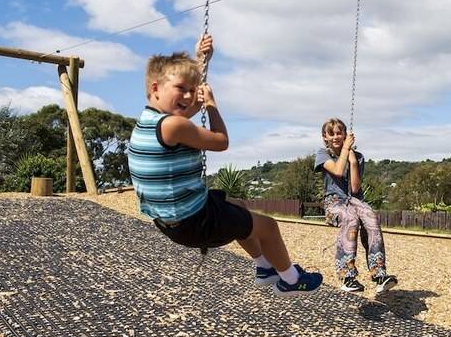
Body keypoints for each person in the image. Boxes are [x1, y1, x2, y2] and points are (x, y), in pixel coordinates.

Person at [127, 34, 322, 297]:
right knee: (268, 226)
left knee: (238, 208)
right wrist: (211, 105)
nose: (188, 95)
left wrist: (201, 60)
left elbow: (185, 110)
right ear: (155, 89)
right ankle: (290, 279)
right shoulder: (174, 125)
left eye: (190, 89)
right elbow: (221, 141)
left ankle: (264, 267)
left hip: (172, 219)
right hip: (196, 221)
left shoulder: (149, 121)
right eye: (180, 88)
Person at [314, 118, 398, 294]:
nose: (336, 136)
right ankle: (347, 276)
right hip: (335, 202)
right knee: (350, 218)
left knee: (371, 218)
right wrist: (346, 150)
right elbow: (337, 170)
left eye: (339, 133)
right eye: (332, 133)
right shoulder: (323, 154)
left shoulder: (358, 158)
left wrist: (353, 162)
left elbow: (355, 188)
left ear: (346, 135)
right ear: (325, 137)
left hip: (355, 200)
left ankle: (379, 275)